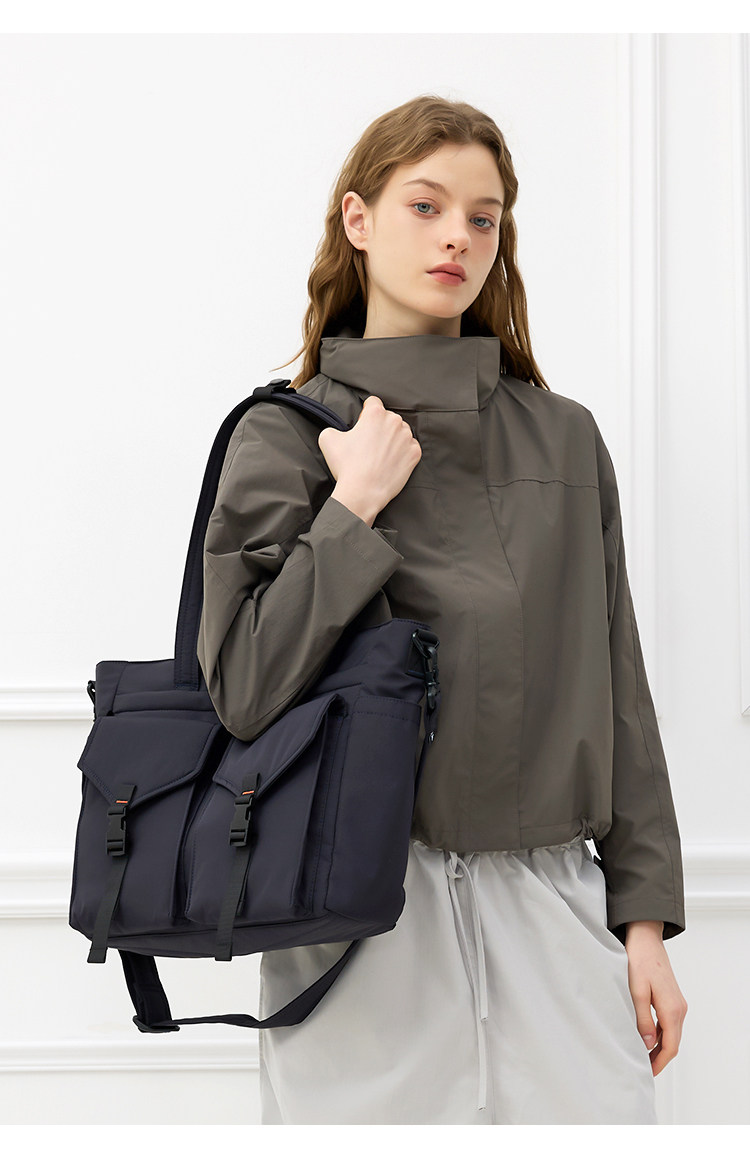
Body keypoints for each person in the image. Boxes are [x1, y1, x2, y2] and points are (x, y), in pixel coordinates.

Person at [197, 94, 688, 1125]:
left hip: (552, 910)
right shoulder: (284, 436)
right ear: (358, 218)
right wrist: (354, 507)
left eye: (483, 217)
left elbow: (618, 685)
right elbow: (242, 684)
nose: (457, 236)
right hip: (356, 915)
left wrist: (642, 921)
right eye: (425, 206)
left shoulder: (563, 438)